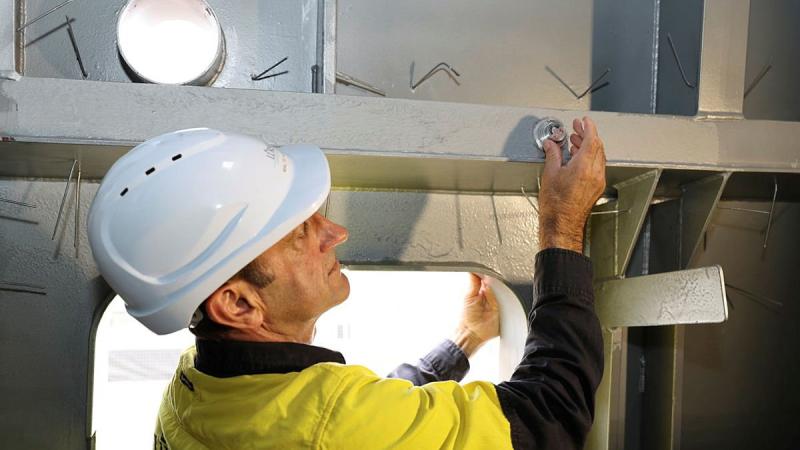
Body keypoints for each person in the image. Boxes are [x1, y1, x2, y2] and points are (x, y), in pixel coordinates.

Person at [88, 117, 606, 449]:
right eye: (299, 233)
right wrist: (561, 226)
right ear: (238, 305)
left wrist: (465, 341)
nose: (336, 233)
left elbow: (368, 418)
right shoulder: (328, 423)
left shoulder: (195, 386)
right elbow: (550, 417)